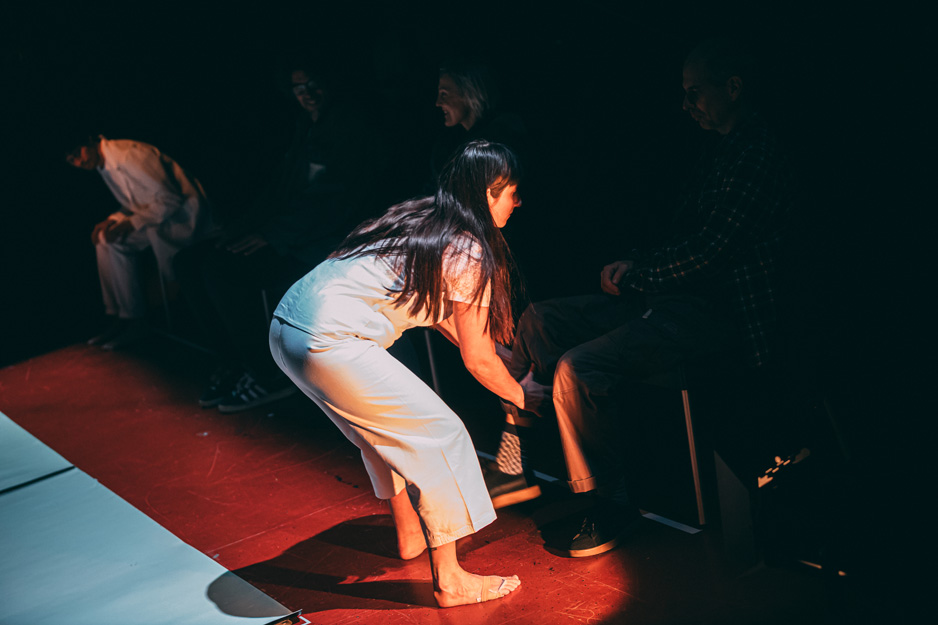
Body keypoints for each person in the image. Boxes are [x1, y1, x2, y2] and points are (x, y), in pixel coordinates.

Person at [483, 37, 794, 557]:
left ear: (733, 88)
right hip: (668, 297)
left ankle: (611, 501)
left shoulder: (756, 154)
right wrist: (633, 263)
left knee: (577, 368)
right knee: (538, 320)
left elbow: (712, 252)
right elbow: (680, 235)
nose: (687, 105)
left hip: (718, 314)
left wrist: (637, 276)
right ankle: (525, 457)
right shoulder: (716, 151)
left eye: (695, 92)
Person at [268, 141, 549, 607]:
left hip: (286, 327)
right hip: (330, 337)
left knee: (377, 434)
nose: (517, 203)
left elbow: (442, 316)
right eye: (513, 192)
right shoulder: (469, 248)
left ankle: (410, 534)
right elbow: (477, 360)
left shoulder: (424, 218)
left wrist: (499, 358)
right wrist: (524, 395)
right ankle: (451, 580)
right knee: (441, 435)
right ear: (490, 191)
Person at [173, 62, 387, 413]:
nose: (307, 94)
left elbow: (338, 201)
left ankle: (268, 374)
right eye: (299, 88)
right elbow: (279, 191)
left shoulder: (351, 126)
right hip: (292, 234)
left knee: (220, 271)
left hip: (323, 244)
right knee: (188, 261)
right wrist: (242, 227)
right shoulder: (307, 126)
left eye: (313, 84)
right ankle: (234, 362)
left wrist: (273, 235)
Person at [66, 135, 212, 349]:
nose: (79, 162)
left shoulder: (129, 155)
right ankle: (125, 316)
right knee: (106, 240)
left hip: (184, 219)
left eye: (77, 154)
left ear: (88, 141)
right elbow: (137, 202)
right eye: (72, 161)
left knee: (120, 238)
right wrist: (113, 220)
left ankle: (134, 320)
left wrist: (129, 224)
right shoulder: (104, 165)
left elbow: (171, 200)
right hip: (158, 219)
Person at [429, 62, 527, 189]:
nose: (438, 103)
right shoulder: (451, 145)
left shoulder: (498, 142)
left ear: (468, 92)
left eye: (444, 94)